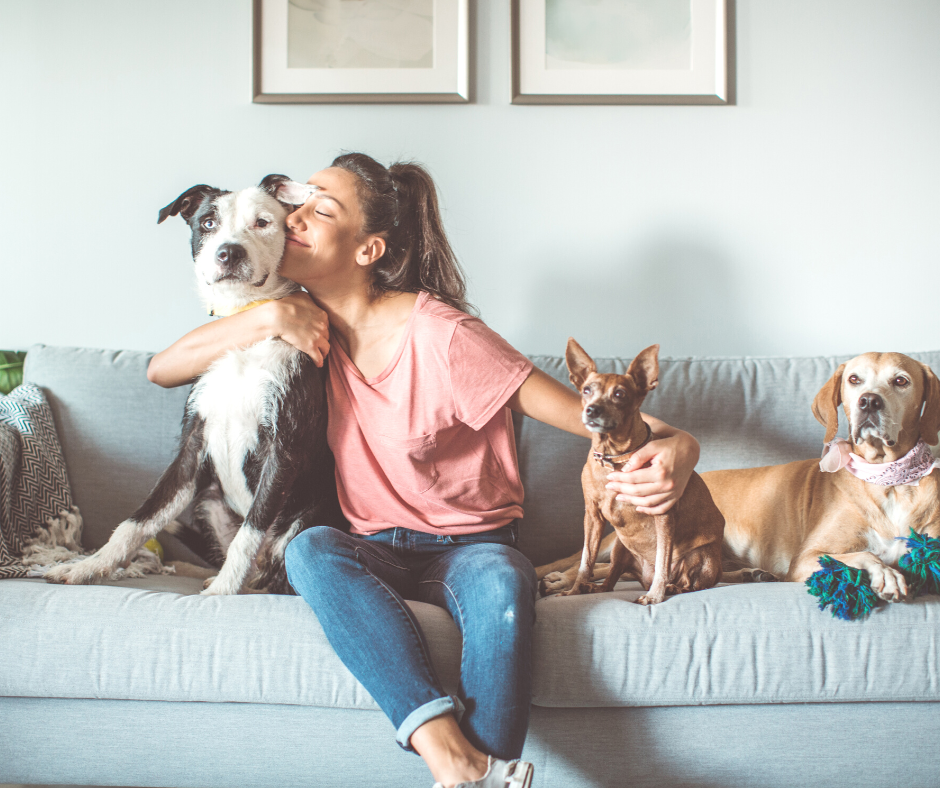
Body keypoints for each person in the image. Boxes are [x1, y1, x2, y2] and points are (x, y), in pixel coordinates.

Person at [147, 153, 700, 788]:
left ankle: (470, 774)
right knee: (310, 551)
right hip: (371, 547)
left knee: (503, 587)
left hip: (471, 547)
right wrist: (268, 315)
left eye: (320, 209)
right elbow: (162, 369)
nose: (294, 217)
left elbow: (593, 418)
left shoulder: (444, 335)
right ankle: (455, 757)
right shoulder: (297, 321)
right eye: (298, 204)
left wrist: (683, 448)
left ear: (367, 249)